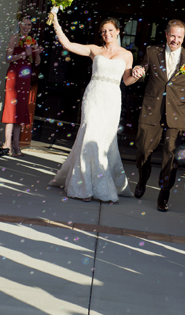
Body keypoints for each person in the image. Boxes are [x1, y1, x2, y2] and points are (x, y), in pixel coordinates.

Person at [124, 20, 185, 212]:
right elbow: (143, 68)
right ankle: (142, 179)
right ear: (166, 35)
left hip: (176, 115)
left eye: (179, 37)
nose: (175, 40)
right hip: (151, 111)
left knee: (170, 157)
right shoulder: (151, 52)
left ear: (183, 37)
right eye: (173, 36)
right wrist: (139, 70)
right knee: (143, 152)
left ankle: (163, 195)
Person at [48, 14, 131, 202]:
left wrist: (137, 73)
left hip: (112, 100)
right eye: (104, 32)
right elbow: (68, 45)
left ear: (118, 31)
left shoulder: (127, 54)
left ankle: (102, 185)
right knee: (89, 136)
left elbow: (127, 80)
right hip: (94, 97)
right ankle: (82, 187)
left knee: (104, 141)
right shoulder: (95, 50)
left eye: (110, 30)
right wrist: (56, 23)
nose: (107, 34)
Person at [2, 13, 43, 156]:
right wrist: (21, 55)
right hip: (14, 75)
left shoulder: (32, 40)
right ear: (20, 25)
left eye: (29, 25)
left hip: (25, 76)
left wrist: (37, 53)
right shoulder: (14, 38)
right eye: (24, 24)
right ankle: (7, 144)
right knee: (10, 108)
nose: (27, 27)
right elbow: (8, 58)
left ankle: (16, 145)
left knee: (20, 109)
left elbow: (37, 62)